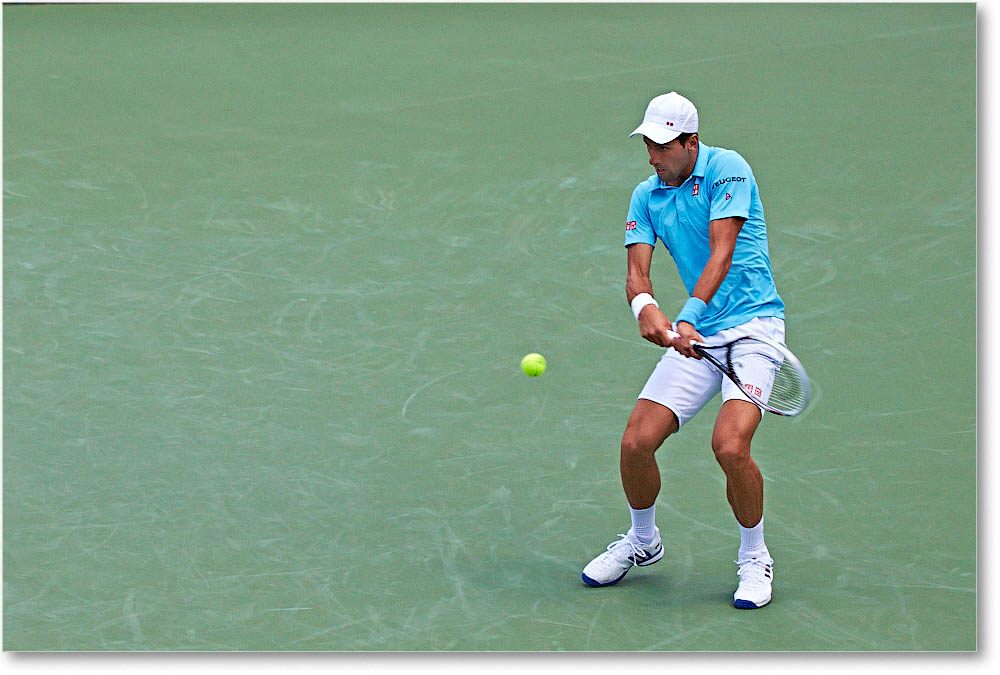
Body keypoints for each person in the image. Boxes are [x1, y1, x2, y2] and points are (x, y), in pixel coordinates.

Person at [581, 92, 786, 609]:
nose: (652, 156)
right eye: (647, 145)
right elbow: (636, 275)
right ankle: (643, 542)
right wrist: (645, 308)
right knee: (635, 443)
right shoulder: (645, 196)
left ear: (691, 143)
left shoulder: (728, 169)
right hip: (698, 335)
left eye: (662, 146)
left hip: (753, 329)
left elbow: (722, 253)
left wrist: (687, 316)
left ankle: (754, 556)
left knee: (730, 446)